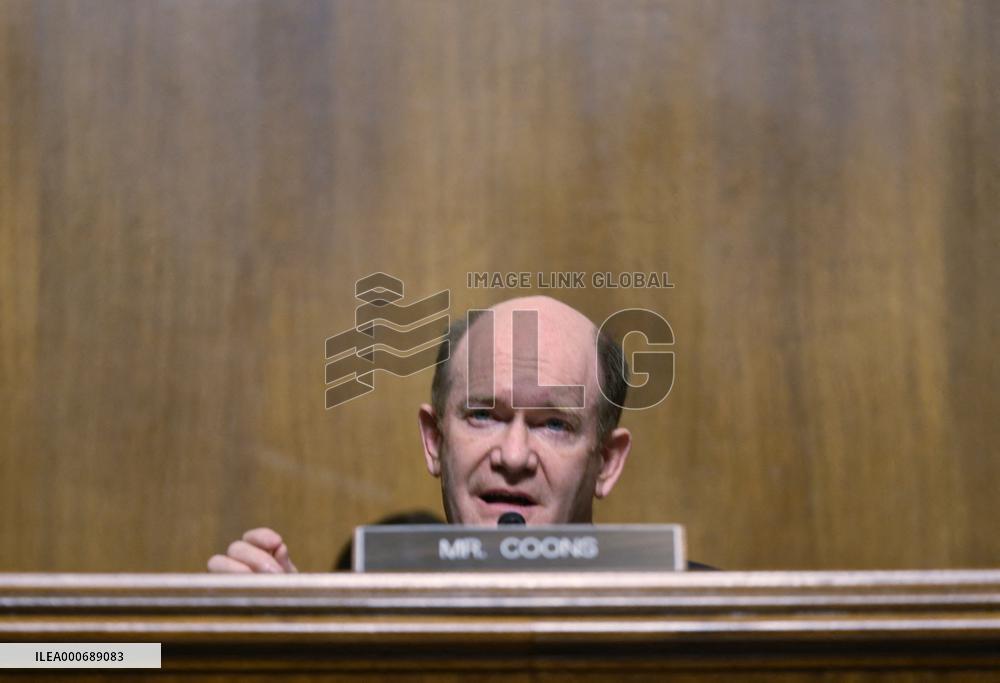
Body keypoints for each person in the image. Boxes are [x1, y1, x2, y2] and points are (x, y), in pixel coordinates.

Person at [208, 295, 635, 574]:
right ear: (434, 440)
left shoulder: (697, 623)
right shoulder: (355, 626)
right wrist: (252, 650)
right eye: (484, 415)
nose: (514, 455)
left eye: (554, 424)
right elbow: (140, 659)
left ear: (607, 463)